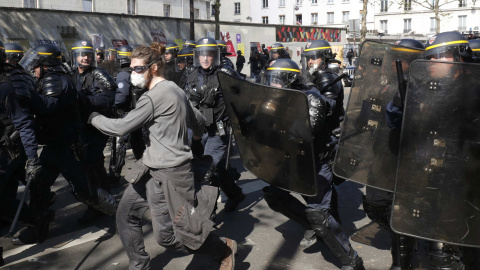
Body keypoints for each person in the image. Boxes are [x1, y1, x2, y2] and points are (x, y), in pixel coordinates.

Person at [88, 42, 237, 270]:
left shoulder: (153, 97)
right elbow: (197, 119)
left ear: (154, 68)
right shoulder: (174, 89)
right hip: (150, 168)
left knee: (172, 236)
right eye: (132, 68)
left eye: (138, 69)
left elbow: (120, 127)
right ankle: (139, 265)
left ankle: (223, 247)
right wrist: (196, 135)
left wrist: (93, 117)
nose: (133, 74)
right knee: (125, 214)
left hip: (172, 175)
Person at [259, 59, 365, 270]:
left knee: (319, 214)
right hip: (291, 161)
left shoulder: (309, 98)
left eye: (277, 80)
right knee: (274, 195)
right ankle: (316, 228)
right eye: (271, 80)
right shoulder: (276, 99)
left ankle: (351, 260)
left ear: (290, 79)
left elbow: (306, 130)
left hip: (314, 162)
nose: (273, 85)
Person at [387, 31, 477, 270]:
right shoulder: (426, 87)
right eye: (430, 57)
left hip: (465, 187)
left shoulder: (475, 89)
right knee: (429, 249)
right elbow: (395, 122)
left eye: (439, 56)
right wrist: (401, 98)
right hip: (427, 178)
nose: (433, 63)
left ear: (459, 58)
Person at [359, 39, 424, 270]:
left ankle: (401, 259)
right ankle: (406, 238)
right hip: (381, 156)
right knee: (374, 205)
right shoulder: (385, 82)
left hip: (403, 158)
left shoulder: (420, 87)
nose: (390, 61)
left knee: (399, 213)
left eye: (399, 58)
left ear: (410, 63)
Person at [183, 37, 245, 213]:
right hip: (195, 129)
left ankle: (207, 215)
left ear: (215, 56)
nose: (204, 58)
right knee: (206, 167)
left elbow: (243, 96)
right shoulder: (191, 74)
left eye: (208, 55)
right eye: (201, 55)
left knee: (207, 171)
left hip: (218, 129)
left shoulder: (226, 73)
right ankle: (235, 194)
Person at [0, 41, 52, 245]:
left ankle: (38, 219)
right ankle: (33, 218)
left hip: (9, 150)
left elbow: (24, 123)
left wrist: (32, 159)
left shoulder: (6, 86)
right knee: (6, 196)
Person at [70, 40, 117, 224]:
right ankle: (97, 202)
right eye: (82, 54)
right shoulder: (72, 75)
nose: (85, 57)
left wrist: (87, 101)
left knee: (94, 164)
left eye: (88, 54)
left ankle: (104, 204)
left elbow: (111, 97)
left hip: (96, 126)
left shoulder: (99, 74)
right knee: (85, 166)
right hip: (79, 127)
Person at [107, 45, 147, 185]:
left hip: (126, 113)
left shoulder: (123, 74)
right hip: (137, 113)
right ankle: (146, 170)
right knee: (137, 143)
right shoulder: (136, 72)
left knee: (119, 143)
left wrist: (113, 105)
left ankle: (114, 173)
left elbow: (122, 96)